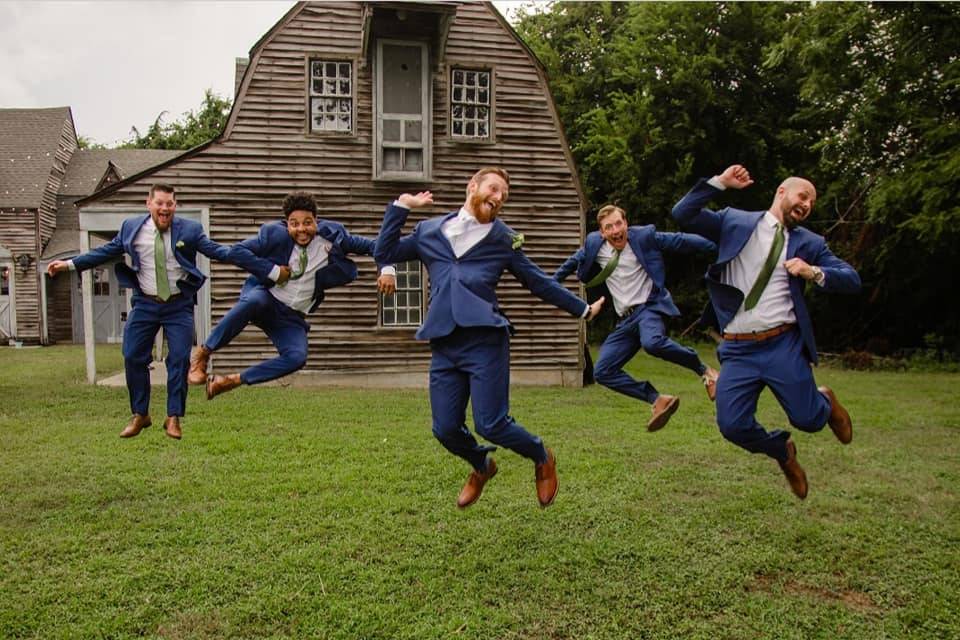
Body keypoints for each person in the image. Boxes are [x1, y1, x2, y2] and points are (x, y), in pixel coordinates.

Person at [373, 167, 605, 509]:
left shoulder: (504, 239)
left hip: (485, 341)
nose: (497, 199)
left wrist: (582, 309)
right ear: (473, 186)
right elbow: (386, 249)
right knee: (445, 429)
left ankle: (542, 455)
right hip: (445, 342)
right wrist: (401, 206)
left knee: (491, 423)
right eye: (493, 189)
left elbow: (537, 281)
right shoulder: (429, 231)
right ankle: (482, 465)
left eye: (503, 197)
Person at [671, 164, 861, 499]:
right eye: (803, 196)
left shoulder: (810, 243)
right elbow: (683, 212)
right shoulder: (734, 221)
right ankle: (782, 451)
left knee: (809, 420)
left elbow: (851, 279)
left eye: (812, 203)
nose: (807, 204)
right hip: (738, 349)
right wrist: (720, 183)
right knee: (732, 426)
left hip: (781, 344)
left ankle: (826, 402)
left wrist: (812, 271)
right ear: (782, 192)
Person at [47, 183, 232, 440]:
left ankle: (173, 417)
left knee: (178, 358)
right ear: (149, 204)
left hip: (178, 305)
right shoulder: (131, 228)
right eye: (160, 203)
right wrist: (69, 264)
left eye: (169, 204)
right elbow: (105, 252)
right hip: (145, 303)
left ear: (175, 206)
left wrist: (255, 258)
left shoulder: (190, 230)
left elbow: (218, 251)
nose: (164, 208)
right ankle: (140, 414)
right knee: (133, 355)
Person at [189, 191, 396, 398]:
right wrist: (274, 272)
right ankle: (203, 354)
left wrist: (387, 270)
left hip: (291, 316)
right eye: (294, 224)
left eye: (307, 223)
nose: (301, 230)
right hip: (267, 299)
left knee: (297, 357)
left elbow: (375, 246)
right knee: (253, 300)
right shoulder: (273, 234)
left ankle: (232, 381)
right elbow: (236, 252)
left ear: (316, 220)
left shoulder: (335, 236)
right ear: (286, 224)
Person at [554, 204, 718, 431]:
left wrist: (717, 246)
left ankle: (706, 372)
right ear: (602, 232)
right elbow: (569, 265)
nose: (615, 231)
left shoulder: (644, 237)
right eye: (608, 227)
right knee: (602, 372)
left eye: (618, 224)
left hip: (648, 308)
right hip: (626, 320)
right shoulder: (594, 246)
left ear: (626, 223)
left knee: (652, 343)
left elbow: (679, 241)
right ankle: (657, 400)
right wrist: (547, 286)